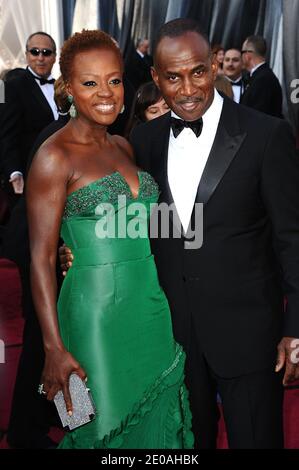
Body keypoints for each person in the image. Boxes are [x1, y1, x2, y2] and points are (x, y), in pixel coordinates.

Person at [61, 18, 299, 449]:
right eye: (173, 77)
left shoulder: (267, 135)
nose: (187, 89)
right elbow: (139, 220)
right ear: (155, 78)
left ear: (214, 66)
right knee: (183, 443)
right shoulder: (146, 140)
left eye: (198, 72)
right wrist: (83, 248)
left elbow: (292, 239)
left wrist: (296, 327)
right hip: (168, 335)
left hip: (247, 332)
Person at [26, 29, 193, 449]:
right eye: (90, 83)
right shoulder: (53, 156)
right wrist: (53, 348)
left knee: (155, 429)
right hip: (95, 315)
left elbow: (142, 225)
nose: (106, 93)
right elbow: (41, 258)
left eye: (114, 80)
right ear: (68, 88)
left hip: (150, 306)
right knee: (106, 431)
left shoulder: (124, 144)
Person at [2, 77, 70, 449]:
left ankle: (61, 415)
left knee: (60, 337)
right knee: (42, 340)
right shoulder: (56, 140)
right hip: (42, 252)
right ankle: (25, 430)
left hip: (59, 253)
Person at [0, 32, 58, 200]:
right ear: (26, 55)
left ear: (54, 57)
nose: (40, 57)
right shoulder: (12, 87)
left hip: (60, 173)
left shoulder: (62, 87)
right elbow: (7, 135)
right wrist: (14, 171)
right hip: (29, 176)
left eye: (46, 53)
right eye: (35, 52)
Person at [240, 35, 283, 117]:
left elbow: (257, 114)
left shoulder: (263, 79)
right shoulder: (260, 76)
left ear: (248, 55)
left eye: (242, 52)